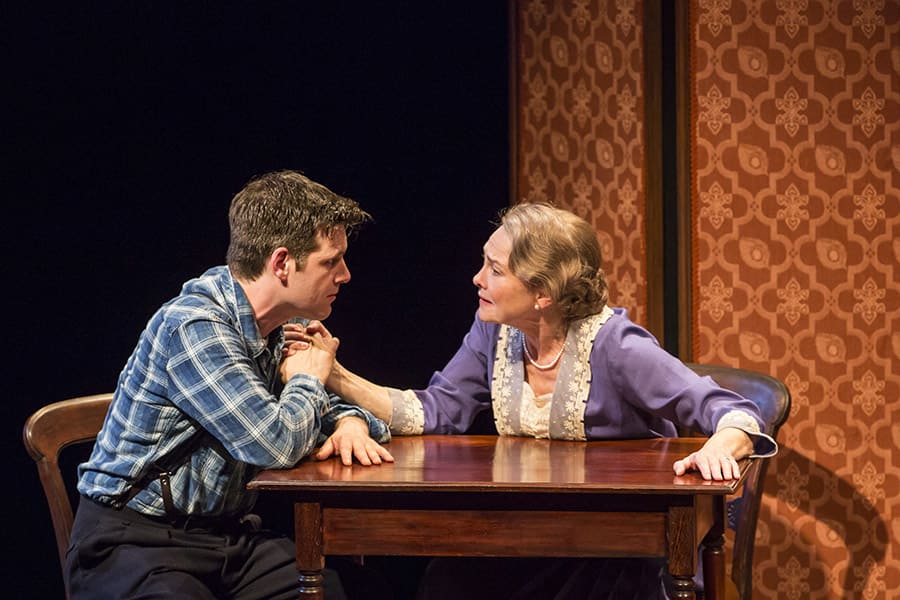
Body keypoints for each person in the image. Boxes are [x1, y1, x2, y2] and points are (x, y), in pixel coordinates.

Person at [289, 202, 778, 599]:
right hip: (530, 536)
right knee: (448, 582)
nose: (477, 279)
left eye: (495, 269)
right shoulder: (493, 335)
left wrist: (724, 443)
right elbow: (435, 411)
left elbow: (732, 410)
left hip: (618, 550)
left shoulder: (614, 346)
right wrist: (337, 376)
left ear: (542, 292)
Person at [65, 170, 394, 600]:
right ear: (281, 264)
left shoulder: (282, 326)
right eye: (331, 261)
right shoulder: (194, 327)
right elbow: (273, 442)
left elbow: (329, 412)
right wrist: (312, 379)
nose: (346, 275)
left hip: (227, 539)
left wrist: (350, 421)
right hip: (135, 539)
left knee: (338, 588)